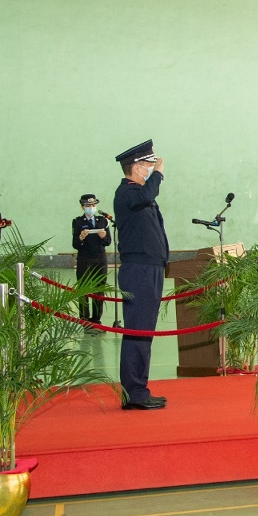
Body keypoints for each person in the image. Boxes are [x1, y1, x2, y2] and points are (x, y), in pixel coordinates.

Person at [113, 140, 169, 411]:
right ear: (136, 167)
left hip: (150, 268)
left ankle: (138, 389)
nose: (151, 168)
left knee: (143, 332)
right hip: (139, 270)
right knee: (138, 331)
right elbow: (146, 196)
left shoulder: (138, 194)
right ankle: (134, 392)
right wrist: (158, 174)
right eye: (148, 164)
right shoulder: (128, 193)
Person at [72, 194, 113, 329]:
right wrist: (81, 237)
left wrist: (104, 237)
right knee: (84, 289)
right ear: (83, 207)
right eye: (88, 206)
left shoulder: (102, 221)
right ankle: (84, 319)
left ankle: (96, 319)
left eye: (93, 205)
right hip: (85, 258)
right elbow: (75, 244)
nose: (91, 208)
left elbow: (108, 242)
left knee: (99, 289)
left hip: (100, 258)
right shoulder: (78, 222)